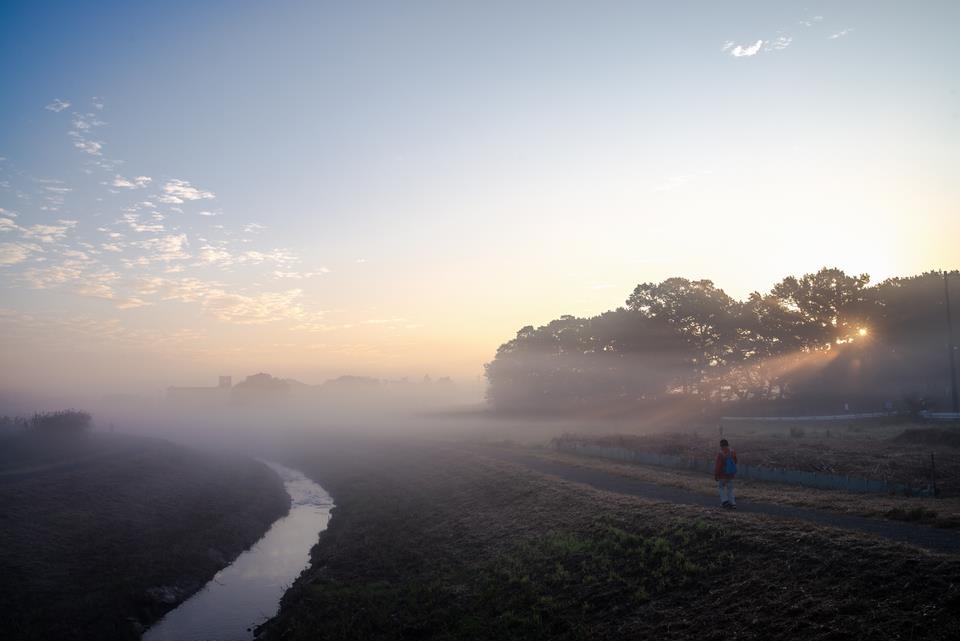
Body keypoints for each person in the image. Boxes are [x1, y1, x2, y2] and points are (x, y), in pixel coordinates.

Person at [714, 438, 737, 509]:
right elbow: (735, 462)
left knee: (721, 488)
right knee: (730, 489)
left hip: (722, 475)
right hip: (731, 475)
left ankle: (725, 502)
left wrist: (716, 475)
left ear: (721, 446)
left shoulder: (720, 454)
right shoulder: (733, 452)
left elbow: (718, 466)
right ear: (727, 445)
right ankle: (733, 503)